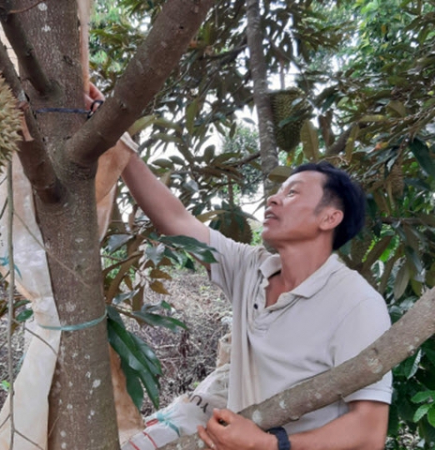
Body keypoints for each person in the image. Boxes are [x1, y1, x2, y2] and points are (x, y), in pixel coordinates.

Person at [86, 85, 392, 450]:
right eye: (279, 191)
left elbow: (369, 432)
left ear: (330, 218)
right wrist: (117, 139)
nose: (274, 198)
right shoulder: (251, 268)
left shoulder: (357, 303)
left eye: (293, 193)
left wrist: (270, 444)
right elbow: (176, 220)